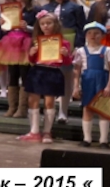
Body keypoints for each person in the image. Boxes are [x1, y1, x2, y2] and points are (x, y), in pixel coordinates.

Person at [17, 10, 73, 143]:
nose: (46, 26)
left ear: (56, 24)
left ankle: (47, 132)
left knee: (49, 102)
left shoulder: (63, 42)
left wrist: (66, 55)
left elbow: (67, 63)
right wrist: (31, 54)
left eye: (49, 23)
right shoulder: (36, 41)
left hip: (52, 72)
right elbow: (32, 60)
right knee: (33, 100)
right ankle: (34, 131)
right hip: (37, 71)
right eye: (42, 24)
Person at [40, 0, 86, 124]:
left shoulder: (76, 8)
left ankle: (63, 112)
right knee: (50, 79)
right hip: (49, 45)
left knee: (67, 78)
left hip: (68, 43)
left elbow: (81, 29)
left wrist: (77, 46)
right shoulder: (45, 8)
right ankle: (49, 111)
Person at [0, 0, 40, 119]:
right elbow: (5, 30)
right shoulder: (10, 9)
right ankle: (12, 107)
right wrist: (3, 25)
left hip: (26, 43)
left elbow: (40, 29)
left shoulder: (34, 9)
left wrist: (28, 27)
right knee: (12, 74)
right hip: (11, 44)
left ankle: (22, 108)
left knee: (25, 74)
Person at [73, 22, 110, 148]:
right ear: (85, 35)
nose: (93, 35)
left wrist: (109, 86)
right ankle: (87, 139)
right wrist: (76, 86)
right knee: (87, 109)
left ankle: (103, 140)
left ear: (103, 35)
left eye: (96, 33)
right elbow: (77, 70)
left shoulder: (108, 50)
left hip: (103, 81)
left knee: (103, 110)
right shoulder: (81, 51)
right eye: (89, 33)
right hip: (88, 82)